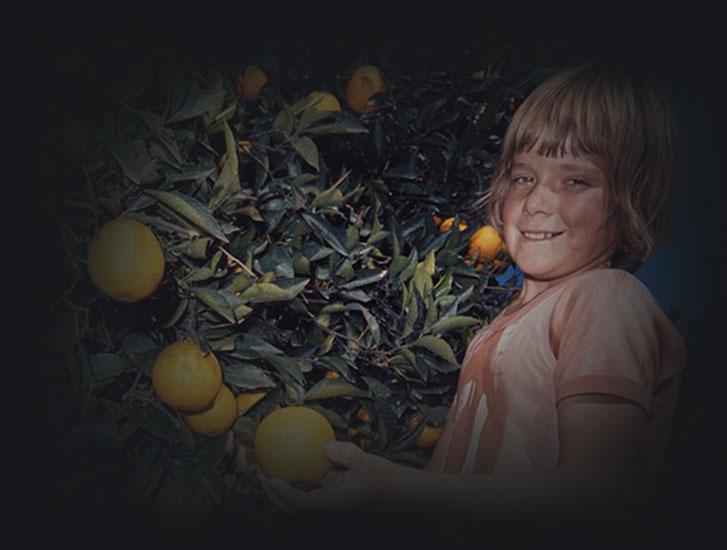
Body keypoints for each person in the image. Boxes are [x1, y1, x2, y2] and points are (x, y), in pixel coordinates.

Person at [234, 63, 688, 528]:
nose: (536, 202)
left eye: (575, 181)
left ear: (632, 196)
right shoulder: (505, 326)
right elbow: (450, 485)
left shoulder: (604, 299)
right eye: (523, 177)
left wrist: (394, 484)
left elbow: (595, 491)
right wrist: (356, 490)